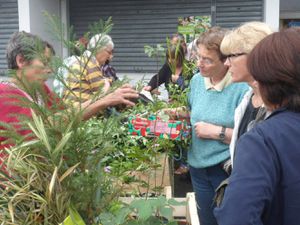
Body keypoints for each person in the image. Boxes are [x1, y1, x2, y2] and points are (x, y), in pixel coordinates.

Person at [214, 27, 300, 225]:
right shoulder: (247, 102)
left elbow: (236, 217)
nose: (226, 63)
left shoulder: (263, 140)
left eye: (231, 56)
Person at [0, 31, 138, 152]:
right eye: (44, 62)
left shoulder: (41, 91)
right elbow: (45, 127)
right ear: (22, 61)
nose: (50, 70)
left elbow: (68, 112)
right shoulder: (5, 95)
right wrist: (101, 100)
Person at [187, 26, 248, 225]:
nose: (199, 64)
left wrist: (216, 132)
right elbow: (194, 114)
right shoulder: (197, 81)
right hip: (197, 167)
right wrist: (181, 117)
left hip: (224, 170)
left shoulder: (241, 88)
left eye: (208, 60)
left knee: (228, 219)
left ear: (226, 61)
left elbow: (249, 138)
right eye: (198, 57)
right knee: (205, 219)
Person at [220, 21, 273, 169]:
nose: (226, 63)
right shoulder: (248, 98)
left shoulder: (279, 104)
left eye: (231, 56)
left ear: (254, 55)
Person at [63, 34, 117, 103]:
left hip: (72, 109)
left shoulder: (82, 60)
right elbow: (101, 96)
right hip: (81, 110)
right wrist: (107, 83)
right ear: (99, 49)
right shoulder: (91, 63)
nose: (109, 56)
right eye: (109, 52)